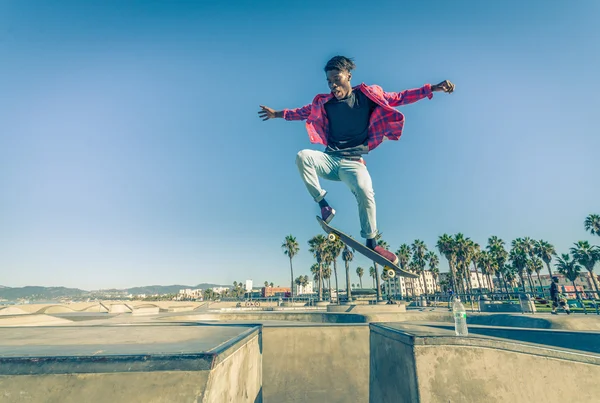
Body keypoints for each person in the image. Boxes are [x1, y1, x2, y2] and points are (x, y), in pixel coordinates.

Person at [258, 56, 454, 264]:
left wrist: (432, 88)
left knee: (364, 190)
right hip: (330, 160)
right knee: (303, 156)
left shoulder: (368, 96)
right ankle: (324, 205)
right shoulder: (324, 103)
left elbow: (400, 97)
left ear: (348, 76)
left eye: (337, 78)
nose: (333, 85)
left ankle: (371, 241)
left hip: (353, 163)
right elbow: (300, 113)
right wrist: (276, 114)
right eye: (329, 81)